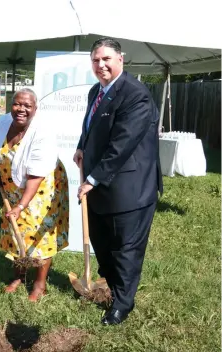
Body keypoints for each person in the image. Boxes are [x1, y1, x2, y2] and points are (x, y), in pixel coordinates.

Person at [74, 37, 163, 325]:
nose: (101, 65)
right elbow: (91, 126)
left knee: (125, 248)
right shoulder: (95, 92)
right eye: (96, 60)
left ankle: (122, 304)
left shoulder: (134, 94)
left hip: (129, 189)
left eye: (106, 59)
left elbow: (122, 143)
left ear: (120, 59)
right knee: (102, 241)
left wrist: (92, 178)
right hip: (102, 186)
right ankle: (112, 287)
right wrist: (81, 147)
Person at [0, 88, 69, 302]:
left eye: (27, 106)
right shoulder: (2, 123)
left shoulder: (42, 132)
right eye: (17, 104)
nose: (21, 109)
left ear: (35, 109)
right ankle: (19, 276)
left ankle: (39, 284)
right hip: (12, 184)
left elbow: (35, 176)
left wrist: (21, 205)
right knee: (16, 230)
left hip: (43, 185)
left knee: (39, 232)